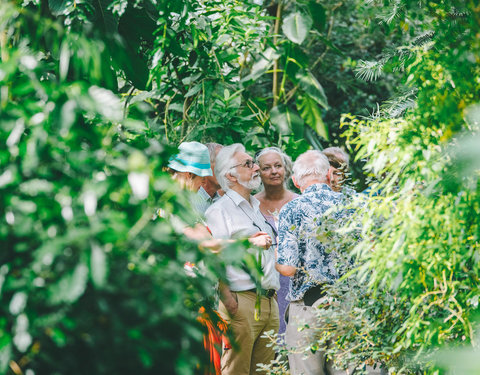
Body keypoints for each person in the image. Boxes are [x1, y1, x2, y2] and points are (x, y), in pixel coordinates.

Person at [205, 143, 280, 375]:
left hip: (269, 301)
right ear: (230, 175)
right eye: (248, 164)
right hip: (241, 302)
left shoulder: (254, 206)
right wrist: (228, 299)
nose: (256, 167)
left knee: (264, 371)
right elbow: (212, 254)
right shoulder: (219, 211)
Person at [276, 150, 346, 375]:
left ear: (296, 182)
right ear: (328, 174)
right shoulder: (355, 204)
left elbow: (288, 268)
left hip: (309, 307)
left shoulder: (292, 209)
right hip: (350, 305)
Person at [254, 146, 298, 336]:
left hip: (293, 279)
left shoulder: (298, 202)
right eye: (266, 168)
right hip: (263, 282)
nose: (273, 171)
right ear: (258, 173)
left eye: (278, 166)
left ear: (286, 168)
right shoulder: (250, 204)